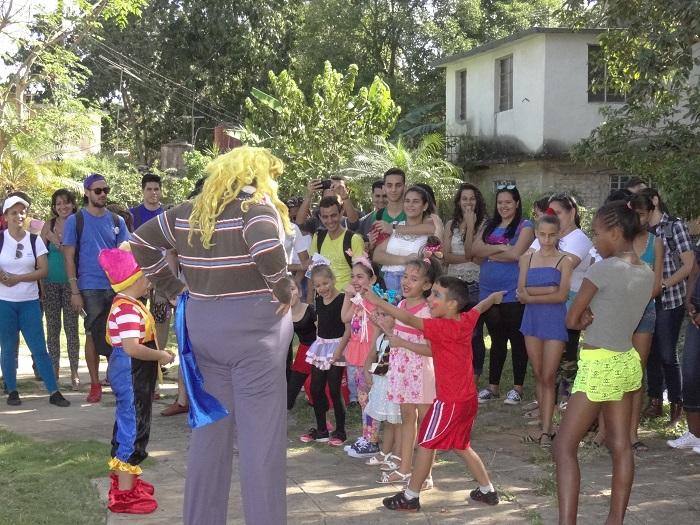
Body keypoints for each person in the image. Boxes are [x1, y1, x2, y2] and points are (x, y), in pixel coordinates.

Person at [130, 146, 294, 525]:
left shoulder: (187, 212)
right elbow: (267, 247)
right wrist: (285, 288)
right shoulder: (255, 208)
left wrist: (171, 287)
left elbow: (140, 242)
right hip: (256, 334)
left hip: (204, 327)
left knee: (209, 432)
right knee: (261, 443)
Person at [365, 277, 504, 511]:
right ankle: (487, 491)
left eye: (436, 295)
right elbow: (479, 308)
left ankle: (410, 496)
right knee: (461, 446)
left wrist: (377, 300)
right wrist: (492, 297)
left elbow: (408, 318)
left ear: (452, 304)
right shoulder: (465, 320)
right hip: (467, 400)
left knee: (427, 443)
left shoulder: (441, 327)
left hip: (449, 402)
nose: (429, 299)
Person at [554, 201, 653, 525]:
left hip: (600, 364)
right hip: (627, 360)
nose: (594, 241)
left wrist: (583, 317)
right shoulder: (646, 272)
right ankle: (615, 520)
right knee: (621, 444)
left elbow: (571, 319)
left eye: (597, 234)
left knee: (564, 447)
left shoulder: (602, 269)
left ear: (614, 232)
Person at [99, 245, 175, 514]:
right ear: (136, 279)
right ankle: (123, 494)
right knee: (133, 427)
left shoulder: (126, 304)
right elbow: (132, 348)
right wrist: (160, 356)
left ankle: (125, 481)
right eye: (147, 275)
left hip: (131, 372)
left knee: (128, 423)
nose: (150, 280)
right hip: (131, 372)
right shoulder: (129, 310)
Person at [63, 173, 130, 403]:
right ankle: (94, 384)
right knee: (91, 334)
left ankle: (117, 381)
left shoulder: (117, 221)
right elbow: (69, 257)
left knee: (118, 335)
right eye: (98, 190)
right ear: (87, 193)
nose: (103, 194)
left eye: (105, 190)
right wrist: (74, 291)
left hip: (116, 287)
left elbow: (125, 254)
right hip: (89, 286)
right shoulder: (76, 220)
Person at [0, 195, 70, 407]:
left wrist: (17, 278)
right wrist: (3, 276)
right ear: (6, 216)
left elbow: (44, 270)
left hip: (29, 302)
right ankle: (12, 390)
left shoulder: (34, 239)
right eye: (14, 212)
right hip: (5, 302)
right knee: (8, 347)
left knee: (39, 347)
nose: (19, 216)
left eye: (22, 212)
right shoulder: (1, 239)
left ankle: (53, 391)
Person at [377, 255, 438, 488]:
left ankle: (426, 474)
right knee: (406, 419)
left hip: (421, 373)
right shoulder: (401, 305)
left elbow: (432, 350)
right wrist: (385, 327)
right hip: (401, 371)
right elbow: (396, 337)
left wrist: (402, 343)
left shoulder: (427, 311)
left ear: (427, 285)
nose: (406, 282)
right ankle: (404, 469)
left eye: (414, 278)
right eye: (404, 276)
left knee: (425, 423)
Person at [472, 185, 534, 405]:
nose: (504, 206)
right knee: (496, 340)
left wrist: (492, 251)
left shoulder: (526, 226)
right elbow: (475, 251)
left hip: (512, 291)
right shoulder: (489, 225)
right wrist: (502, 249)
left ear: (517, 203)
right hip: (488, 291)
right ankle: (493, 387)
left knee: (517, 340)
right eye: (500, 202)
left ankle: (517, 388)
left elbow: (517, 254)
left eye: (508, 202)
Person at [517, 214, 574, 446]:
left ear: (559, 234)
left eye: (552, 235)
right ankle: (544, 425)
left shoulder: (565, 261)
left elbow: (562, 295)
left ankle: (547, 430)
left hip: (554, 320)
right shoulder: (526, 258)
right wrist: (548, 289)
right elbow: (521, 293)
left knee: (549, 376)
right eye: (542, 234)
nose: (547, 240)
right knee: (539, 373)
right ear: (537, 234)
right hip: (532, 319)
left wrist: (535, 294)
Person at [642, 188, 694, 426]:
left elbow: (689, 264)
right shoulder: (640, 230)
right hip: (644, 301)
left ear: (654, 202)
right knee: (649, 352)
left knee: (666, 352)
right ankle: (654, 400)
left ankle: (677, 403)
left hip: (670, 299)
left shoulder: (674, 226)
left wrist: (663, 284)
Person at [541, 194, 594, 408]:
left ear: (572, 213)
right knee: (550, 352)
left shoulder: (579, 238)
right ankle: (548, 399)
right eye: (549, 214)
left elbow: (559, 267)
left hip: (571, 300)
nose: (553, 218)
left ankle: (566, 398)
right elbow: (530, 260)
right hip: (549, 300)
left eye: (558, 213)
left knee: (568, 352)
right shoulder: (551, 237)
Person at [300, 257, 349, 446]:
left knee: (335, 390)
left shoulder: (343, 299)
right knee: (315, 388)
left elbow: (347, 328)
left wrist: (339, 350)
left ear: (333, 280)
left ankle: (340, 431)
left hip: (337, 347)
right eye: (318, 285)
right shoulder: (319, 301)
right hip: (321, 346)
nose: (322, 288)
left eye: (325, 283)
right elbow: (320, 322)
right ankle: (321, 429)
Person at [443, 183, 487, 380]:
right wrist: (469, 258)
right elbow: (446, 256)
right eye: (464, 198)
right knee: (452, 330)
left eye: (472, 198)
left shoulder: (485, 224)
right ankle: (455, 370)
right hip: (453, 284)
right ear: (458, 202)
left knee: (474, 333)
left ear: (477, 201)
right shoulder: (450, 224)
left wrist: (470, 226)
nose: (468, 202)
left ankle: (474, 375)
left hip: (475, 284)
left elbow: (476, 255)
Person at [40, 189, 81, 390]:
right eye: (58, 203)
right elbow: (38, 258)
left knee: (72, 329)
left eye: (66, 202)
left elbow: (75, 253)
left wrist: (57, 241)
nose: (62, 207)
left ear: (73, 204)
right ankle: (54, 370)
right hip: (50, 283)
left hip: (72, 285)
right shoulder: (49, 225)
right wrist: (41, 286)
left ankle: (74, 372)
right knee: (52, 329)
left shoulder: (80, 223)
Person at [341, 255, 380, 456]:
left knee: (370, 399)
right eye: (352, 277)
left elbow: (376, 332)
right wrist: (348, 297)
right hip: (357, 357)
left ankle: (372, 440)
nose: (355, 281)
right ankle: (366, 436)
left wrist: (370, 360)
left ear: (371, 280)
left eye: (360, 277)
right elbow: (344, 318)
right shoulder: (357, 301)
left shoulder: (374, 302)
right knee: (364, 399)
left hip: (368, 358)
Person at [667, 238, 700, 453]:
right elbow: (695, 270)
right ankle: (695, 434)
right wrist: (689, 301)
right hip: (696, 317)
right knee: (690, 374)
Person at [373, 186, 435, 295]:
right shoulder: (393, 226)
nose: (410, 205)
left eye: (415, 201)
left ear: (425, 206)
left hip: (415, 286)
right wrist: (405, 259)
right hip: (389, 284)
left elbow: (435, 260)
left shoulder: (429, 228)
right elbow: (377, 255)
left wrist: (393, 228)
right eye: (407, 201)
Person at [308, 196, 365, 296]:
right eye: (325, 217)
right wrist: (310, 297)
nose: (330, 220)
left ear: (341, 213)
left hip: (346, 298)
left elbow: (361, 275)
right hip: (323, 298)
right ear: (320, 217)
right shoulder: (318, 237)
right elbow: (312, 270)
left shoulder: (354, 239)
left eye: (333, 215)